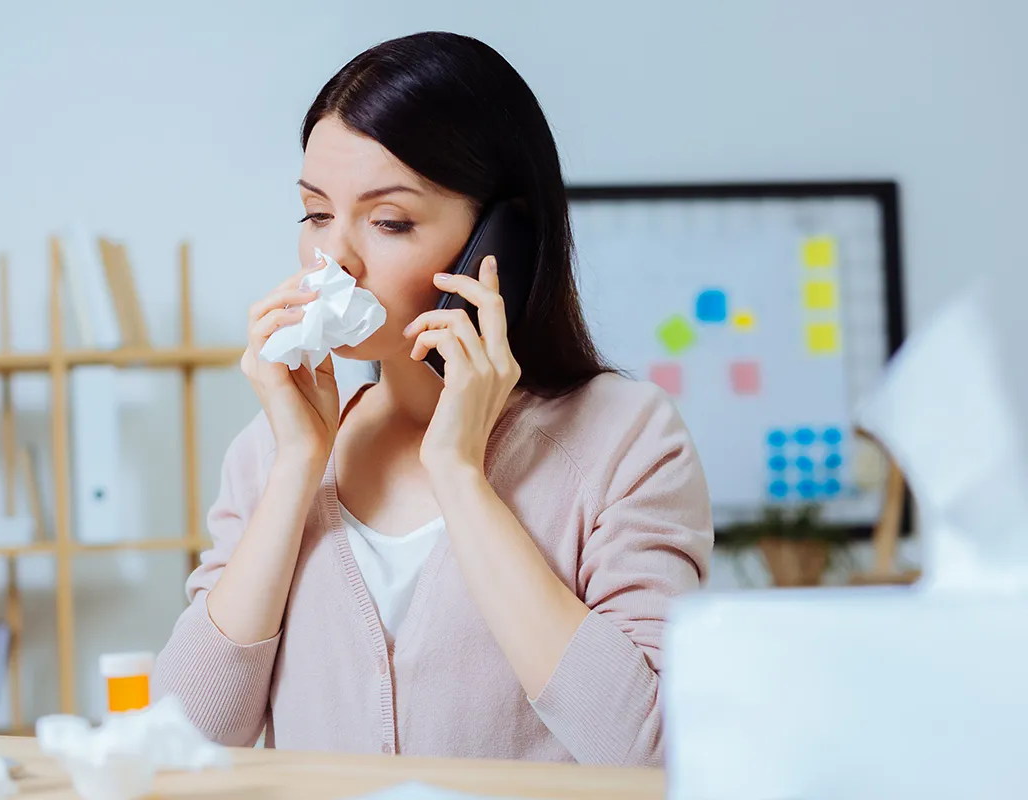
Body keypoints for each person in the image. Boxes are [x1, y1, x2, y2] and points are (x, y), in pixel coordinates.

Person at [154, 31, 713, 767]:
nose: (335, 261)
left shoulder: (626, 440)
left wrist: (459, 475)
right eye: (316, 215)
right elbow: (175, 748)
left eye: (389, 222)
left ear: (498, 240)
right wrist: (296, 470)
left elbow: (650, 751)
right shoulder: (272, 450)